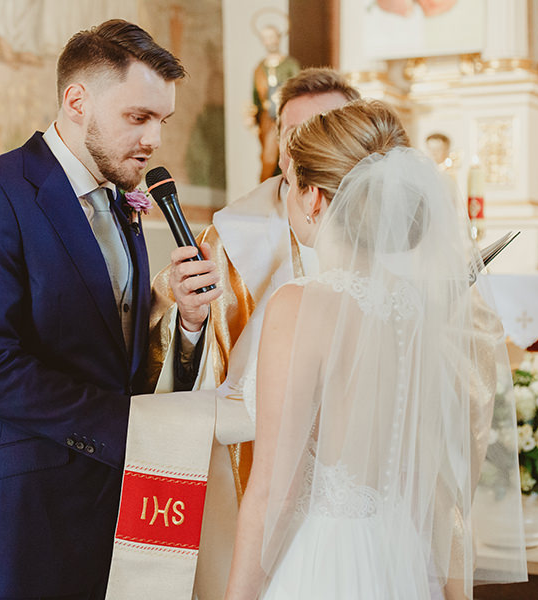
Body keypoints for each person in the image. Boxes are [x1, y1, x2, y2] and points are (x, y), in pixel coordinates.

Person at [0, 19, 218, 600]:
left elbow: (112, 345)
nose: (154, 139)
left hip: (110, 507)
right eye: (138, 117)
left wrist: (182, 318)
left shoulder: (122, 200)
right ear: (77, 101)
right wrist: (136, 430)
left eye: (162, 121)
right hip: (21, 516)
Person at [224, 100, 527, 599]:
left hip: (327, 561)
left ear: (314, 197)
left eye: (291, 184)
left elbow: (274, 492)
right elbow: (434, 480)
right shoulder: (421, 306)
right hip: (400, 556)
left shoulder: (299, 305)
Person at [149, 68, 359, 600]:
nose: (304, 144)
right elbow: (184, 365)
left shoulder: (393, 244)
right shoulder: (228, 237)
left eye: (326, 126)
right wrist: (189, 322)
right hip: (253, 471)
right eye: (292, 132)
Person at [252, 24, 300, 182]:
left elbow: (298, 88)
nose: (270, 41)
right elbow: (256, 99)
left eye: (272, 37)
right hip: (267, 120)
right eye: (266, 38)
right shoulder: (260, 68)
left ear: (279, 38)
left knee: (287, 156)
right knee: (268, 158)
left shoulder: (290, 65)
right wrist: (253, 120)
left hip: (287, 117)